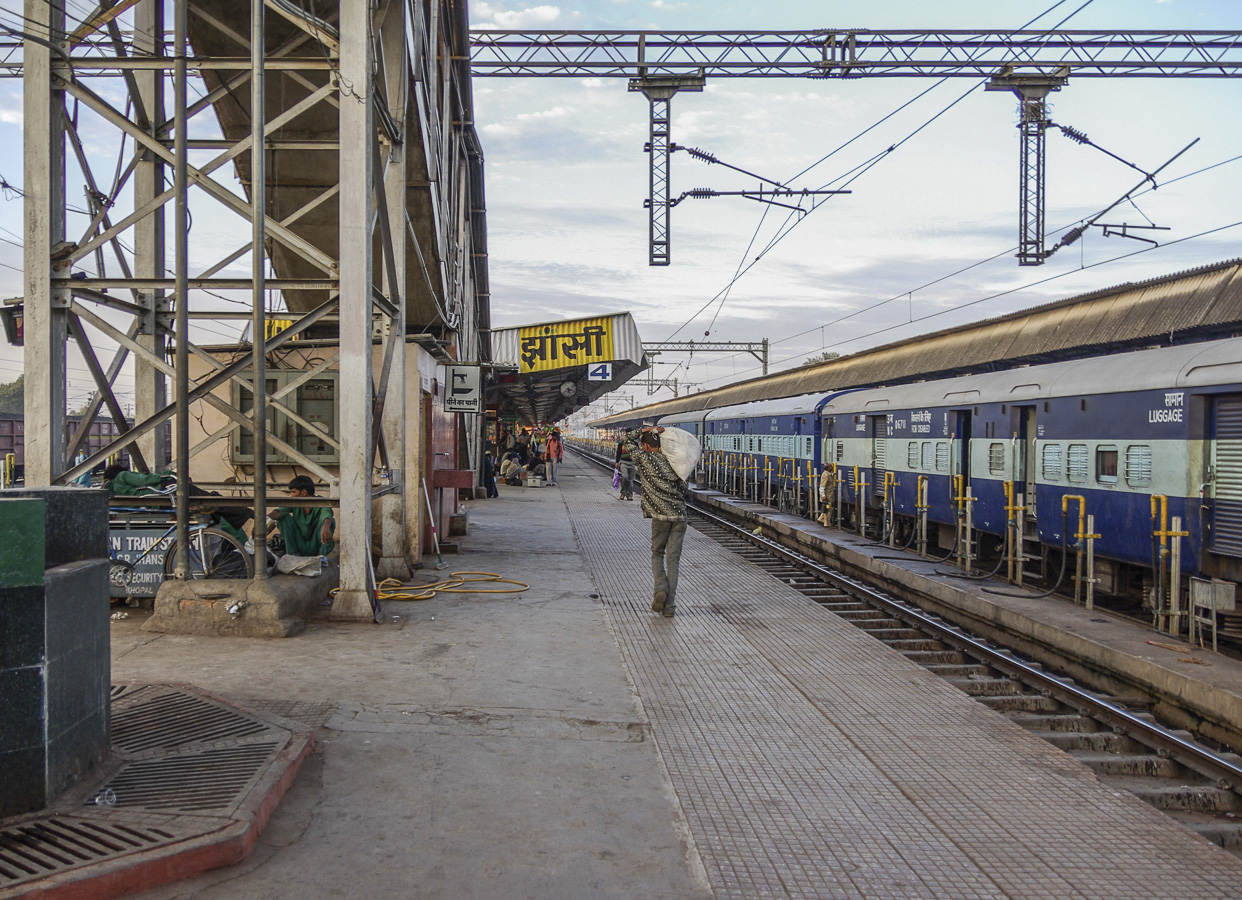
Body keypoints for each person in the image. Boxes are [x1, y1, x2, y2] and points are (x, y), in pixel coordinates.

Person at [621, 426, 687, 618]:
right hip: (679, 516)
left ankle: (660, 588)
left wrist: (646, 429)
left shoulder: (643, 459)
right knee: (673, 561)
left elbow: (626, 440)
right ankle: (669, 607)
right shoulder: (674, 460)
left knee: (657, 553)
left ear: (646, 446)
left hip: (659, 516)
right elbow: (684, 486)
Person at [268, 475, 335, 557]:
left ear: (303, 492)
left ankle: (322, 556)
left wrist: (326, 527)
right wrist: (264, 521)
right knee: (283, 518)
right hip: (300, 544)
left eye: (293, 492)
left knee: (327, 522)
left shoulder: (321, 502)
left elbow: (327, 514)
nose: (291, 495)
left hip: (316, 545)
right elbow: (278, 512)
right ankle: (293, 554)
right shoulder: (294, 502)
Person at [102, 463, 171, 497]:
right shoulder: (122, 475)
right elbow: (145, 480)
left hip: (153, 503)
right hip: (162, 490)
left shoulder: (114, 492)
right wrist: (168, 473)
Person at [614, 429, 636, 501]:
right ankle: (623, 493)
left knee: (630, 480)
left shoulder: (634, 443)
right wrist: (617, 462)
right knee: (624, 477)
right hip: (623, 462)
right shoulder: (622, 442)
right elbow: (619, 452)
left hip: (632, 463)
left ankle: (629, 495)